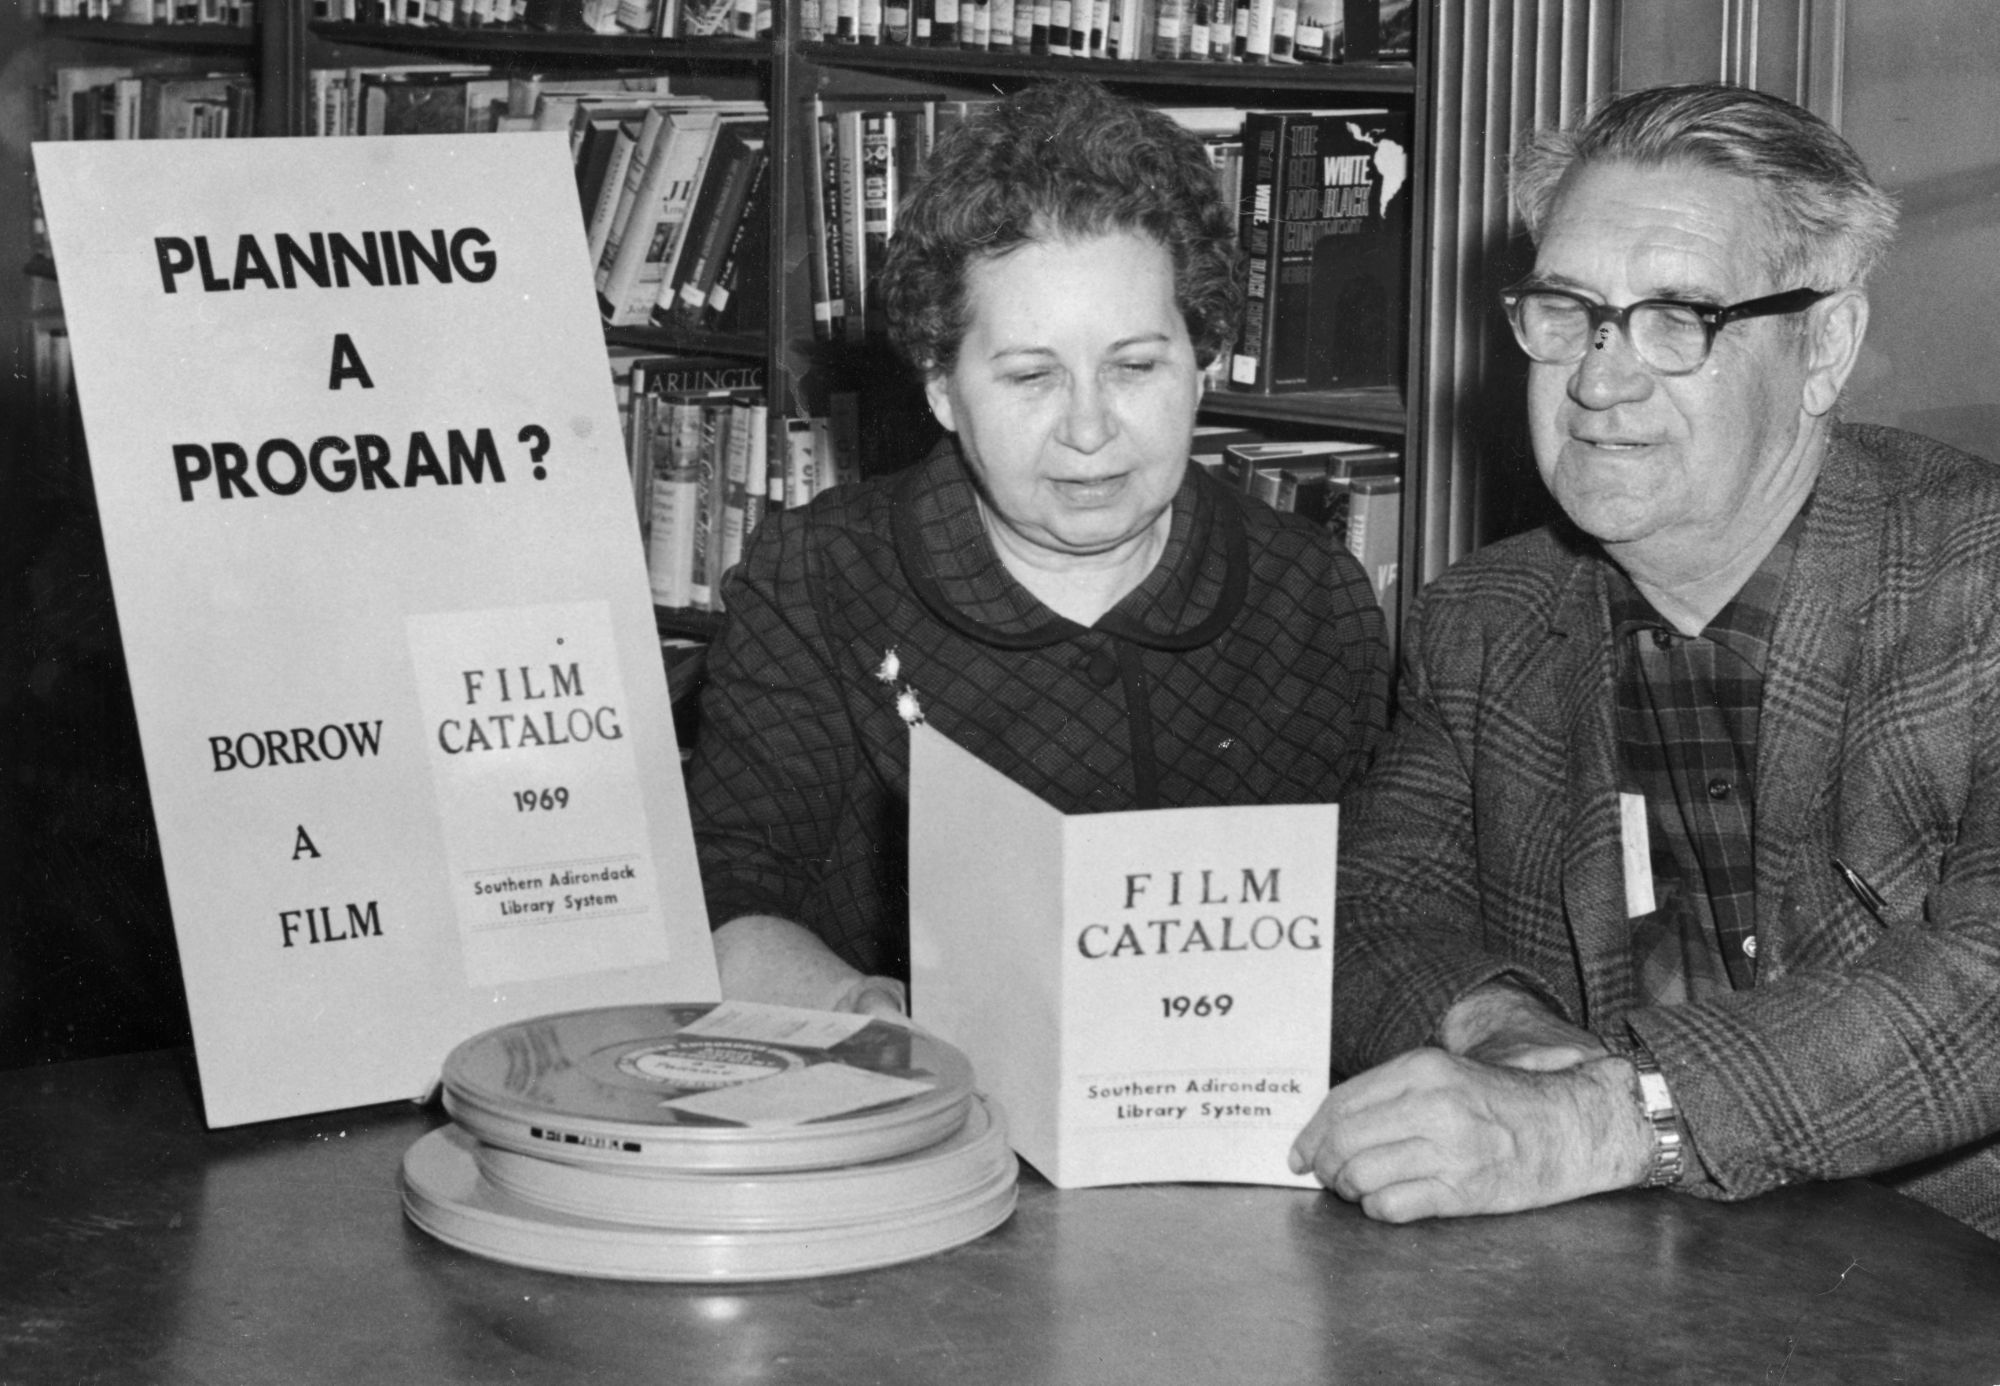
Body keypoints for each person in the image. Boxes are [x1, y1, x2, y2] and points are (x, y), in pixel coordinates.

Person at [1292, 82, 2000, 1239]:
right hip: (1640, 1295)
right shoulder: (1483, 619)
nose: (1597, 380)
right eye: (1567, 311)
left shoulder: (1971, 577)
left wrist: (1594, 1120)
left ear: (1823, 345)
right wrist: (1503, 1033)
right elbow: (1368, 908)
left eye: (1680, 318)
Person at [687, 79, 1391, 1016]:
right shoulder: (816, 580)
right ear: (942, 387)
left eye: (1135, 366)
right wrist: (867, 1021)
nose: (1090, 429)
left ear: (1202, 361)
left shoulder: (1312, 594)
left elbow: (1378, 913)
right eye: (1031, 377)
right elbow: (730, 901)